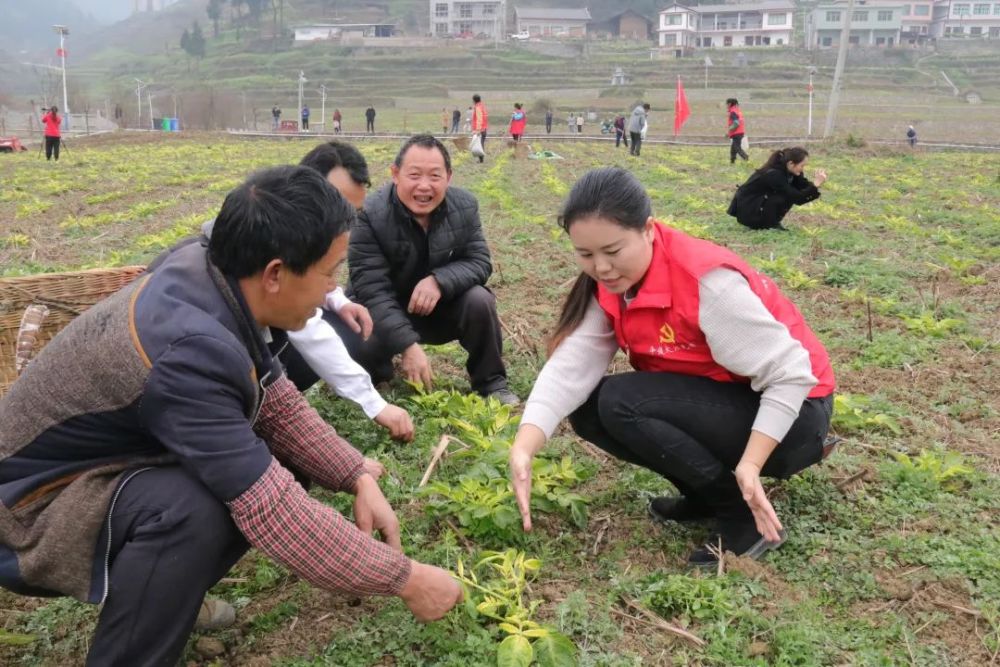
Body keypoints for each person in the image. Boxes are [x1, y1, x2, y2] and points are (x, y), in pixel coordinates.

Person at [0, 165, 463, 665]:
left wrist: (354, 475)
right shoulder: (187, 351)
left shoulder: (213, 274)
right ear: (275, 275)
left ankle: (169, 593)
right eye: (329, 274)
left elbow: (273, 399)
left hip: (88, 473)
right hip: (26, 514)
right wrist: (407, 579)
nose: (333, 290)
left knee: (273, 465)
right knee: (190, 509)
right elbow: (273, 510)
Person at [509, 167, 835, 566]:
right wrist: (525, 446)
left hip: (795, 417)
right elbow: (573, 365)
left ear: (648, 229)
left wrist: (749, 465)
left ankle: (740, 514)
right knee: (589, 408)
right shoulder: (612, 284)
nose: (601, 268)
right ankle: (705, 497)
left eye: (612, 252)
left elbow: (792, 375)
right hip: (734, 401)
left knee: (620, 400)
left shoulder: (703, 282)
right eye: (585, 255)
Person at [341, 134, 519, 406]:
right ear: (395, 174)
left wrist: (439, 281)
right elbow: (372, 289)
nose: (424, 186)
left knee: (479, 300)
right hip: (381, 311)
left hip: (435, 309)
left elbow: (479, 260)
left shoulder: (465, 206)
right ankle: (380, 374)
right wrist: (407, 346)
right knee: (360, 342)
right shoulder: (370, 214)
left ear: (448, 177)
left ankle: (491, 383)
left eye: (435, 176)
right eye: (414, 175)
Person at [727, 147, 827, 231]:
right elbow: (798, 198)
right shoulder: (775, 174)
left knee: (787, 195)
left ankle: (771, 223)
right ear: (791, 163)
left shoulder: (791, 171)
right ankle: (766, 225)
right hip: (749, 209)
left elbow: (804, 186)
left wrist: (816, 183)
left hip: (758, 204)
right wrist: (815, 185)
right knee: (784, 196)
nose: (803, 169)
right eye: (802, 165)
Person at [726, 97, 749, 164]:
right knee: (733, 148)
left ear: (730, 104)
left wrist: (729, 131)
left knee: (737, 148)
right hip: (740, 132)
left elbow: (736, 123)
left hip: (736, 133)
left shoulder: (733, 112)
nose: (726, 106)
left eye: (727, 104)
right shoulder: (737, 111)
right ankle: (732, 162)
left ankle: (746, 158)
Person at [471, 94, 488, 163]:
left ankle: (481, 159)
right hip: (484, 127)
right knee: (481, 143)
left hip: (480, 129)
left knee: (480, 144)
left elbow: (479, 119)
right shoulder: (482, 106)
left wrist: (478, 130)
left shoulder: (478, 107)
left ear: (474, 100)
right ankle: (481, 159)